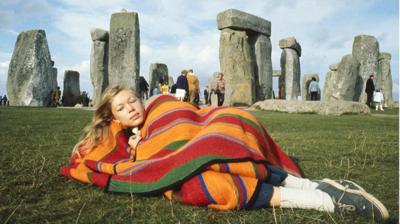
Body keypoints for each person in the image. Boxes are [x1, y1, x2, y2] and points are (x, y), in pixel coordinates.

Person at [60, 86, 389, 222]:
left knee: (221, 148)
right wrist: (141, 148)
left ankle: (316, 188)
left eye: (133, 100)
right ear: (113, 117)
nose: (131, 107)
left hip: (205, 140)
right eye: (121, 107)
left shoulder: (161, 105)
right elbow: (123, 161)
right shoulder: (126, 138)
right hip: (191, 166)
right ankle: (326, 199)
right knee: (205, 183)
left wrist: (151, 144)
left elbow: (189, 121)